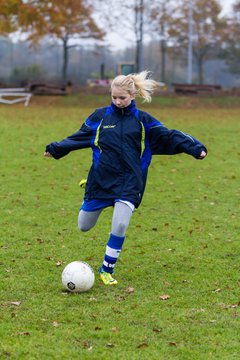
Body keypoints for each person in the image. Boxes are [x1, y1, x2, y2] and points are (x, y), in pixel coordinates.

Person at [44, 70, 207, 286]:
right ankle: (91, 189)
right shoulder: (99, 118)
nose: (118, 101)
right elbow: (77, 138)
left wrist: (195, 148)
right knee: (84, 225)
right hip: (101, 180)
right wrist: (55, 149)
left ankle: (106, 270)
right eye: (114, 97)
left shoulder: (143, 121)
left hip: (130, 182)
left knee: (119, 225)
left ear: (133, 96)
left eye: (122, 97)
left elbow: (169, 136)